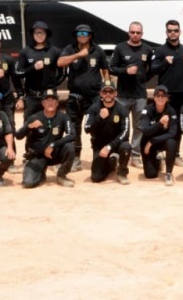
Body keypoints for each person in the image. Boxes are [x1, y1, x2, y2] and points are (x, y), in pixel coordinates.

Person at [60, 23, 109, 170]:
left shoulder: (98, 50)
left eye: (85, 34)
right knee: (73, 129)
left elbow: (105, 70)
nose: (82, 36)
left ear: (90, 36)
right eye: (79, 34)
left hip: (93, 98)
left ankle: (97, 156)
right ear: (76, 36)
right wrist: (78, 55)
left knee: (95, 127)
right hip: (74, 97)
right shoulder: (70, 49)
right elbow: (60, 62)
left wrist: (107, 88)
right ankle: (75, 158)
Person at [15, 88, 77, 188]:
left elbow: (72, 135)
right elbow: (18, 136)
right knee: (28, 183)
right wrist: (29, 126)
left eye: (53, 100)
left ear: (57, 103)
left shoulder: (63, 117)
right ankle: (40, 172)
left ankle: (61, 175)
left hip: (54, 153)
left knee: (69, 147)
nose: (50, 103)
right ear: (43, 103)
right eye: (47, 100)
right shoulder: (34, 117)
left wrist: (53, 145)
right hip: (38, 155)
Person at [111, 21, 151, 164]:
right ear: (128, 33)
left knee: (139, 127)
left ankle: (135, 154)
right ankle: (119, 152)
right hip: (122, 95)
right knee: (119, 125)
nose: (135, 35)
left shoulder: (147, 49)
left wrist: (142, 78)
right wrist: (125, 71)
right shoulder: (120, 48)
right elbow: (112, 68)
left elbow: (150, 70)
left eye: (138, 32)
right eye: (133, 32)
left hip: (140, 95)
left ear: (142, 34)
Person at [83, 79, 131, 185]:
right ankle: (111, 163)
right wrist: (99, 118)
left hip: (116, 144)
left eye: (111, 92)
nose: (108, 94)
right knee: (96, 178)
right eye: (105, 92)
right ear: (101, 94)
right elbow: (86, 128)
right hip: (100, 145)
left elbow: (126, 132)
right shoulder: (94, 108)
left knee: (126, 147)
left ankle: (122, 172)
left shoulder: (122, 109)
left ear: (115, 93)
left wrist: (109, 146)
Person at [15, 20, 63, 119]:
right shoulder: (25, 51)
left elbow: (63, 73)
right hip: (32, 96)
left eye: (42, 32)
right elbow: (18, 72)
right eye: (36, 32)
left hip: (50, 96)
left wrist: (54, 84)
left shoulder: (54, 51)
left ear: (46, 34)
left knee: (52, 124)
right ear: (33, 34)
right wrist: (33, 68)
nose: (39, 35)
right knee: (30, 125)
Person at [139, 84, 179, 186]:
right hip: (147, 141)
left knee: (172, 142)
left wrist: (153, 141)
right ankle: (158, 160)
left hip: (159, 141)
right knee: (150, 175)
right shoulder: (147, 110)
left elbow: (173, 133)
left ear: (167, 98)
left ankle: (168, 173)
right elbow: (145, 131)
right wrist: (160, 124)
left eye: (163, 95)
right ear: (154, 97)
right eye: (158, 95)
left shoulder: (171, 111)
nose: (160, 98)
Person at [150, 19, 183, 113]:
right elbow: (153, 69)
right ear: (166, 33)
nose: (173, 33)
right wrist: (164, 62)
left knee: (181, 124)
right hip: (165, 94)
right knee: (166, 122)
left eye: (176, 30)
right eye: (170, 31)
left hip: (182, 93)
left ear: (180, 32)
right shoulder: (160, 50)